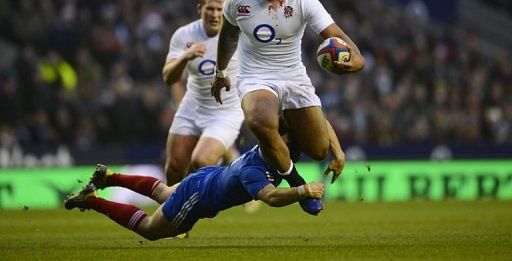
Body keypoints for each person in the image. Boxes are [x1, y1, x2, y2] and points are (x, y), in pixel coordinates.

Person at [210, 0, 364, 213]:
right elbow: (228, 36)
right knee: (258, 119)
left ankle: (285, 133)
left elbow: (348, 47)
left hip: (293, 77)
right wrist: (221, 71)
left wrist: (354, 64)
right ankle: (297, 182)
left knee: (317, 150)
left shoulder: (303, 0)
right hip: (255, 76)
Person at [64, 118, 345, 241]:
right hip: (198, 197)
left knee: (163, 192)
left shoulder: (274, 150)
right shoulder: (256, 171)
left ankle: (110, 177)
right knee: (151, 229)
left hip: (205, 177)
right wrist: (303, 190)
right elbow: (270, 197)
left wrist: (337, 151)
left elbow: (319, 122)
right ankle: (92, 201)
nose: (291, 147)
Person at [162, 0, 244, 185]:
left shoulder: (240, 34)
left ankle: (221, 193)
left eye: (220, 9)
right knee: (174, 167)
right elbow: (168, 78)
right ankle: (172, 215)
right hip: (192, 106)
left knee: (201, 160)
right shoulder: (184, 35)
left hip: (226, 112)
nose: (215, 15)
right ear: (200, 9)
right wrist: (184, 57)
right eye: (210, 9)